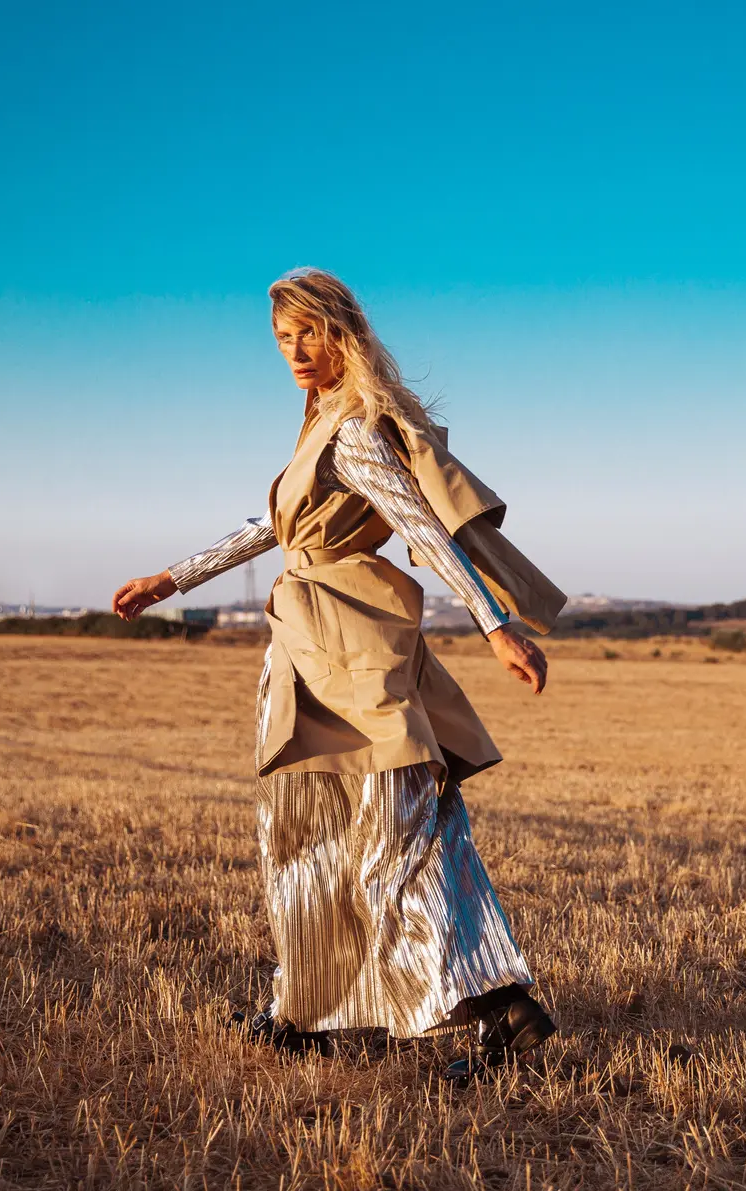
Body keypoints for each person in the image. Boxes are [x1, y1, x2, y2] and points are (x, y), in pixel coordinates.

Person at [112, 268, 565, 1083]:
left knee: (393, 822)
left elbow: (423, 528)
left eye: (308, 334)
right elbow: (271, 526)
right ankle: (307, 1012)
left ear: (343, 333)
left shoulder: (355, 427)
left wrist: (496, 624)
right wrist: (170, 579)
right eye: (283, 339)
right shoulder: (319, 423)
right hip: (308, 642)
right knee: (305, 824)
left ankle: (497, 1004)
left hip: (348, 641)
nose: (294, 352)